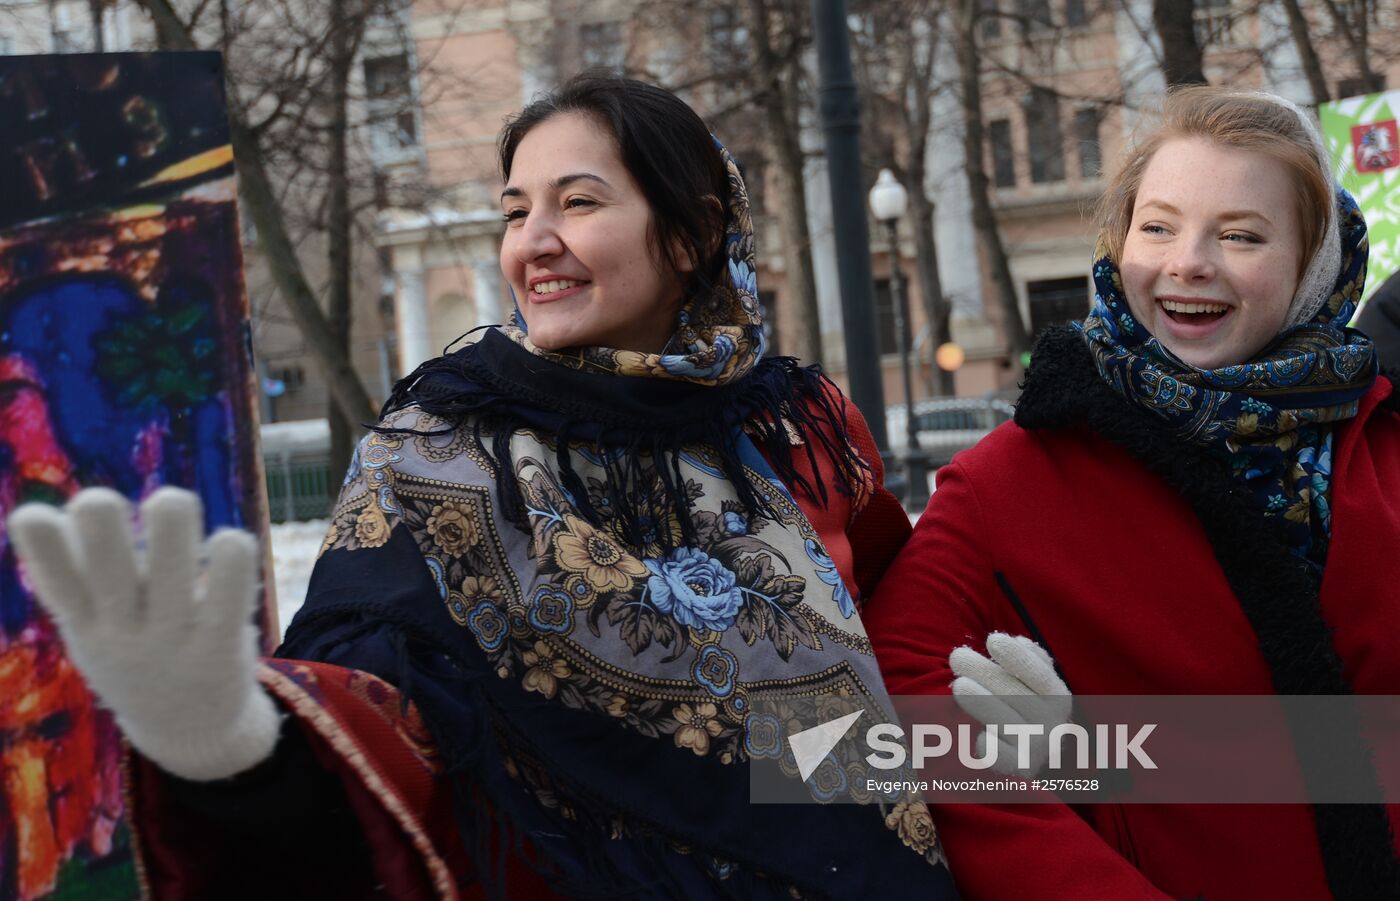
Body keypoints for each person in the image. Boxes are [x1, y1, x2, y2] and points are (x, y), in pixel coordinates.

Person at [7, 74, 958, 899]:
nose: (531, 241)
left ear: (692, 234)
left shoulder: (795, 427)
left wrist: (1041, 744)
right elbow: (385, 738)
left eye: (578, 202)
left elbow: (903, 680)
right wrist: (225, 744)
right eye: (514, 211)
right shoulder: (437, 453)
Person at [863, 86, 1400, 900]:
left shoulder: (1383, 449)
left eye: (1241, 235)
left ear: (1315, 263)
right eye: (1158, 226)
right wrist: (1070, 778)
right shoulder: (1007, 481)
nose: (1188, 260)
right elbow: (883, 710)